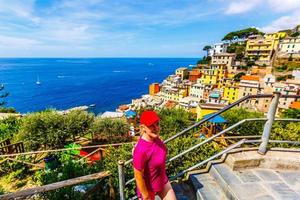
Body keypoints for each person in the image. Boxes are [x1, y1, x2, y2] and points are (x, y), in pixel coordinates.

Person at [132, 110, 176, 200]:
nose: (156, 128)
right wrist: (146, 196)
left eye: (157, 124)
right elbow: (138, 176)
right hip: (148, 189)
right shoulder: (141, 150)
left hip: (161, 181)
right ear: (143, 127)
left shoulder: (155, 138)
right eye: (151, 125)